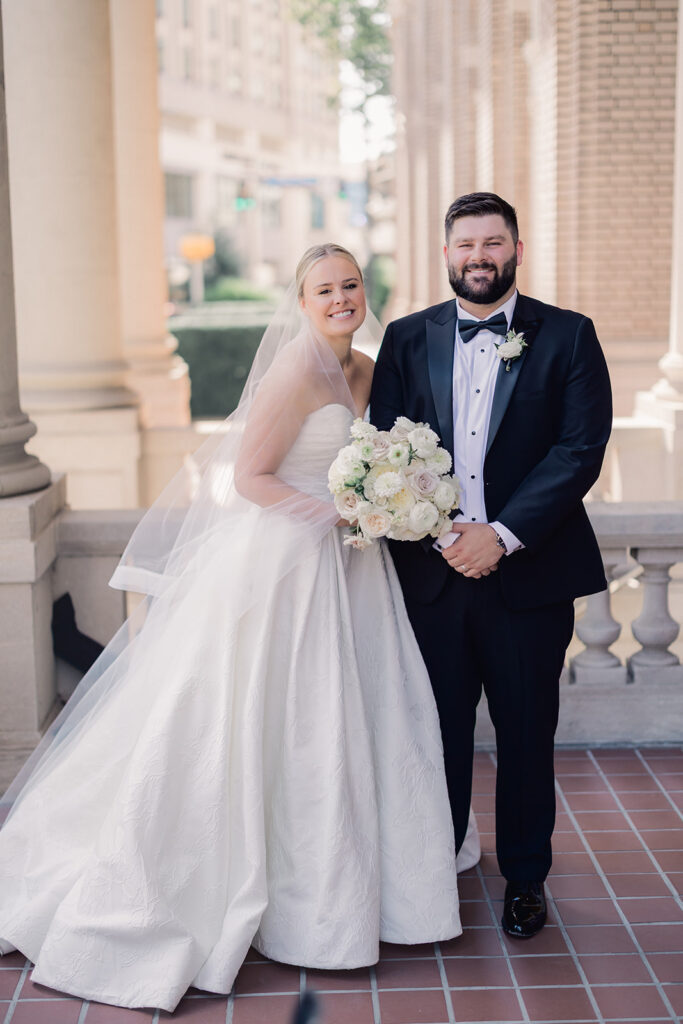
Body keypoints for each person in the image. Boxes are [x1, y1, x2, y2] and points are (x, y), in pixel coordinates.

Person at [0, 243, 478, 1012]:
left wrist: (387, 503)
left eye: (350, 286)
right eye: (323, 289)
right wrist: (343, 512)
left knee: (364, 713)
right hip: (292, 561)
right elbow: (249, 477)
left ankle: (374, 882)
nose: (339, 299)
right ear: (299, 301)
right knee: (276, 720)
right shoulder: (296, 370)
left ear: (365, 293)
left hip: (355, 567)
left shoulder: (363, 367)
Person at [370, 193, 612, 939]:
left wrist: (500, 535)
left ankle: (525, 879)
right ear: (445, 254)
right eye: (465, 243)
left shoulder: (568, 336)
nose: (479, 255)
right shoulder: (406, 339)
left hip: (530, 579)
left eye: (492, 242)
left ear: (515, 248)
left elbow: (577, 450)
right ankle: (431, 873)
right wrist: (443, 533)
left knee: (524, 732)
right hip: (433, 577)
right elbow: (384, 448)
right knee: (432, 731)